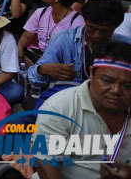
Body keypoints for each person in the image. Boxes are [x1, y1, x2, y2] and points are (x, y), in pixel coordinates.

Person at [34, 41, 131, 179]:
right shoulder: (59, 108)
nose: (116, 90)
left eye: (127, 85)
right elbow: (46, 165)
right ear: (92, 73)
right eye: (107, 80)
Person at [29, 0, 126, 88]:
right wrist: (43, 69)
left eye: (105, 31)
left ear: (115, 27)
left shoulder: (124, 46)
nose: (97, 35)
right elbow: (33, 77)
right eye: (91, 29)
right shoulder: (64, 39)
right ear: (84, 21)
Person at [18, 0, 84, 65]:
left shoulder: (76, 22)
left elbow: (76, 55)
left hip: (60, 64)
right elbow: (26, 36)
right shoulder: (41, 12)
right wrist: (19, 47)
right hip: (37, 57)